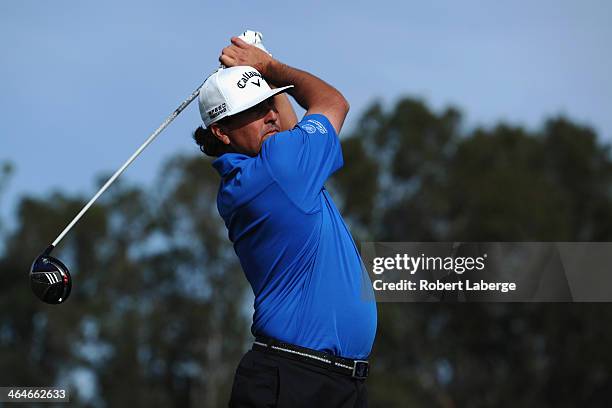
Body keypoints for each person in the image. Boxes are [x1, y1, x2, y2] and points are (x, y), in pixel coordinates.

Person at [193, 36, 377, 408]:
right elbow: (333, 103)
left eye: (268, 105)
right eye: (254, 110)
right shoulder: (278, 170)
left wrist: (264, 75)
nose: (272, 114)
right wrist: (269, 67)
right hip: (292, 380)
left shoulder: (258, 173)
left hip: (325, 381)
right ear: (221, 131)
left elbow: (290, 133)